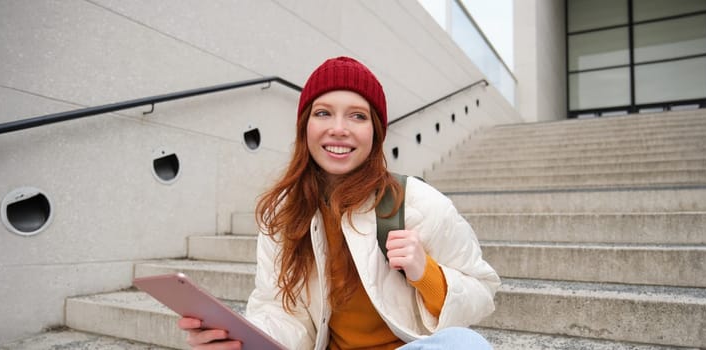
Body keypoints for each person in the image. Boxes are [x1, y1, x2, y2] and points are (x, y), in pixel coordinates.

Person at [178, 56, 501, 350]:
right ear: (305, 126)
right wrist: (244, 338)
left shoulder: (417, 201)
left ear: (375, 131)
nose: (338, 129)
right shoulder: (285, 213)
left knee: (463, 344)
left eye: (357, 116)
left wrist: (426, 273)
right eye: (323, 113)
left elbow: (482, 293)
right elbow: (279, 311)